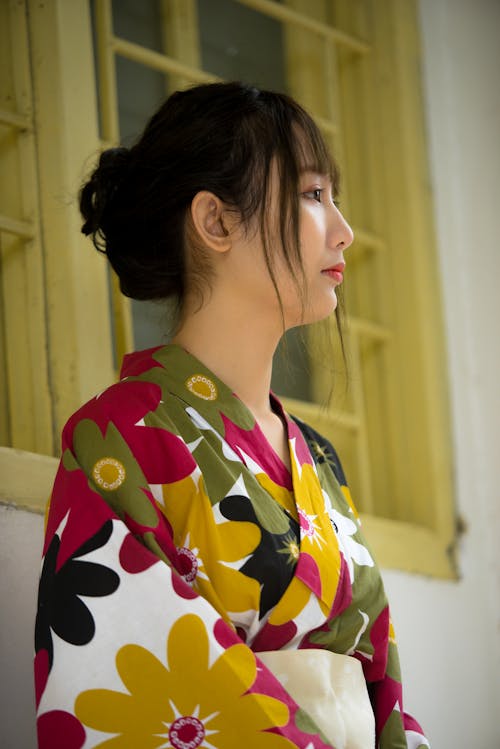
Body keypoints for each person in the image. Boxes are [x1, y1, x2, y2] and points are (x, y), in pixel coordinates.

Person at [34, 82, 429, 749]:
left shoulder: (319, 459)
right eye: (312, 195)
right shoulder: (120, 439)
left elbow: (381, 684)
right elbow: (120, 694)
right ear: (215, 222)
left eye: (334, 197)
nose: (344, 230)